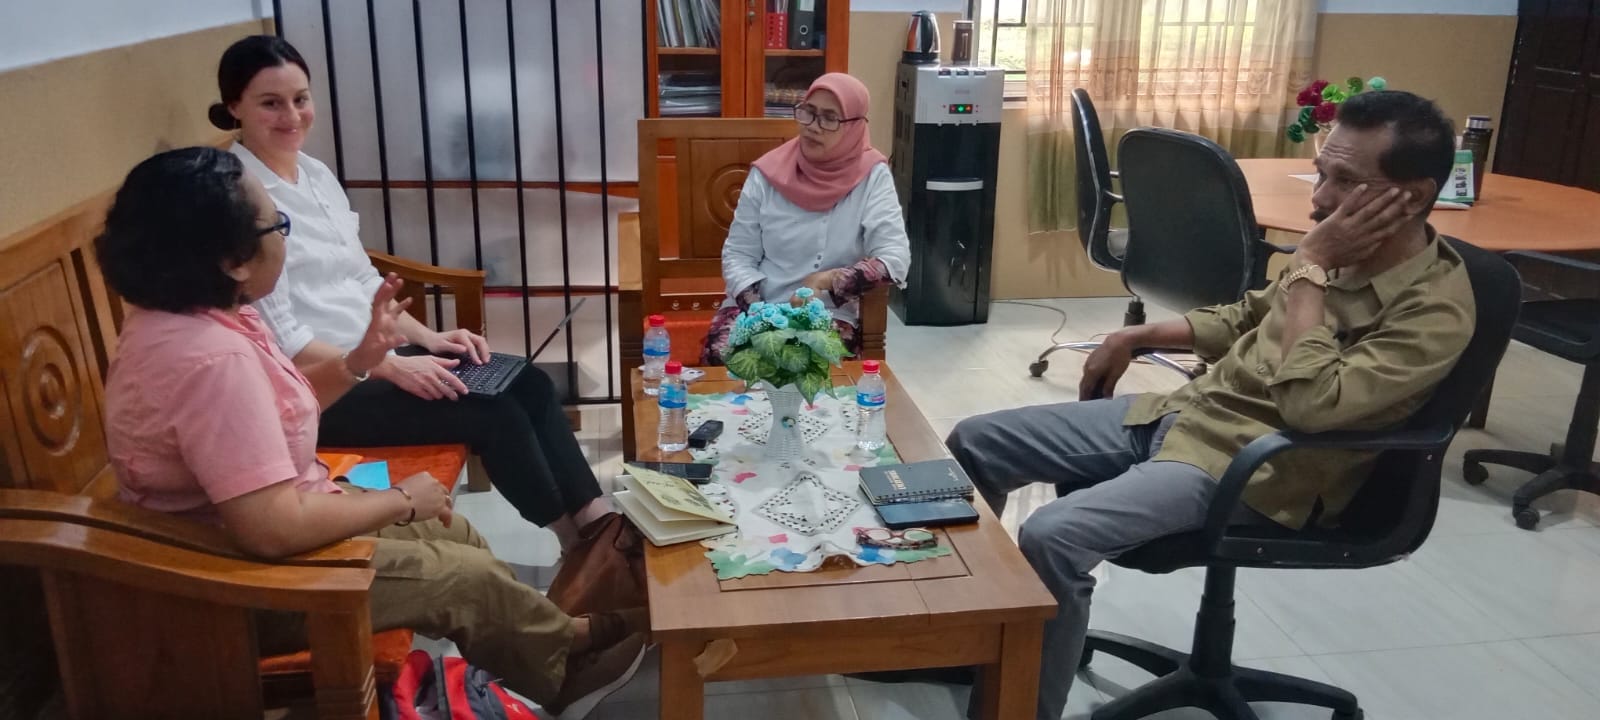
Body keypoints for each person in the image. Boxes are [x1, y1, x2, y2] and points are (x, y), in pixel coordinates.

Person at [945, 91, 1476, 720]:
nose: (1319, 199)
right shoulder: (1343, 251)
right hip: (1185, 414)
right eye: (1321, 173)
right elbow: (1249, 315)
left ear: (1410, 198)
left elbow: (1312, 408)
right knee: (975, 444)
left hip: (1253, 465)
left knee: (1053, 537)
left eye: (1345, 182)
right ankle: (960, 643)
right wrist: (1135, 336)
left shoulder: (1432, 309)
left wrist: (1310, 270)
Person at [96, 147, 644, 720]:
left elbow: (280, 413)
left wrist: (360, 361)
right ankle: (565, 675)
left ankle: (550, 641)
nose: (283, 236)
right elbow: (270, 529)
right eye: (278, 226)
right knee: (466, 576)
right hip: (231, 584)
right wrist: (402, 499)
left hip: (250, 529)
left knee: (457, 533)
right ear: (233, 259)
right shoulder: (212, 360)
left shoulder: (202, 316)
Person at [208, 35, 606, 550]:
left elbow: (362, 278)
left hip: (377, 358)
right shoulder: (240, 200)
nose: (292, 116)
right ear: (234, 106)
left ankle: (600, 525)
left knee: (526, 381)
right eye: (271, 103)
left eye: (300, 99)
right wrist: (388, 367)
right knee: (493, 412)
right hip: (322, 388)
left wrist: (429, 338)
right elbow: (285, 341)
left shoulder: (315, 173)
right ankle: (574, 542)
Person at [701, 72, 910, 365]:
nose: (813, 126)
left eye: (829, 118)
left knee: (807, 361)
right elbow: (738, 254)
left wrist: (828, 280)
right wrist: (761, 313)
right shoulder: (768, 172)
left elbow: (895, 258)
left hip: (827, 310)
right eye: (808, 112)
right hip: (759, 304)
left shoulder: (873, 176)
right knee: (725, 356)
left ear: (854, 126)